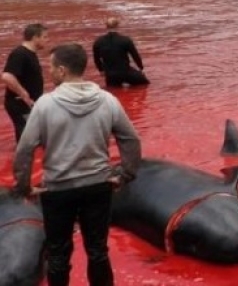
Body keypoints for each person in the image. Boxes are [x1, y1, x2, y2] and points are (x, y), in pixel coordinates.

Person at [14, 43, 141, 286]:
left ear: (62, 70)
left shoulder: (45, 104)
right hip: (98, 185)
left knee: (58, 254)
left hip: (58, 190)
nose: (49, 72)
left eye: (50, 67)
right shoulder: (108, 100)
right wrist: (125, 174)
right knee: (98, 251)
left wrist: (23, 187)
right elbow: (131, 139)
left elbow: (25, 149)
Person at [2, 23, 48, 142]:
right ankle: (22, 160)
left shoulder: (30, 54)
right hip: (20, 104)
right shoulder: (20, 54)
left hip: (26, 103)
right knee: (27, 139)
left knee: (31, 136)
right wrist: (24, 95)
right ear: (35, 38)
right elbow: (7, 76)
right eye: (44, 37)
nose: (46, 40)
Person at [92, 17, 149, 87]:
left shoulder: (98, 42)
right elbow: (135, 55)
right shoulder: (125, 40)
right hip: (126, 72)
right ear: (117, 26)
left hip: (111, 76)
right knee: (145, 84)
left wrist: (101, 70)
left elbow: (96, 59)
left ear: (106, 26)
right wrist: (141, 68)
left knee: (114, 91)